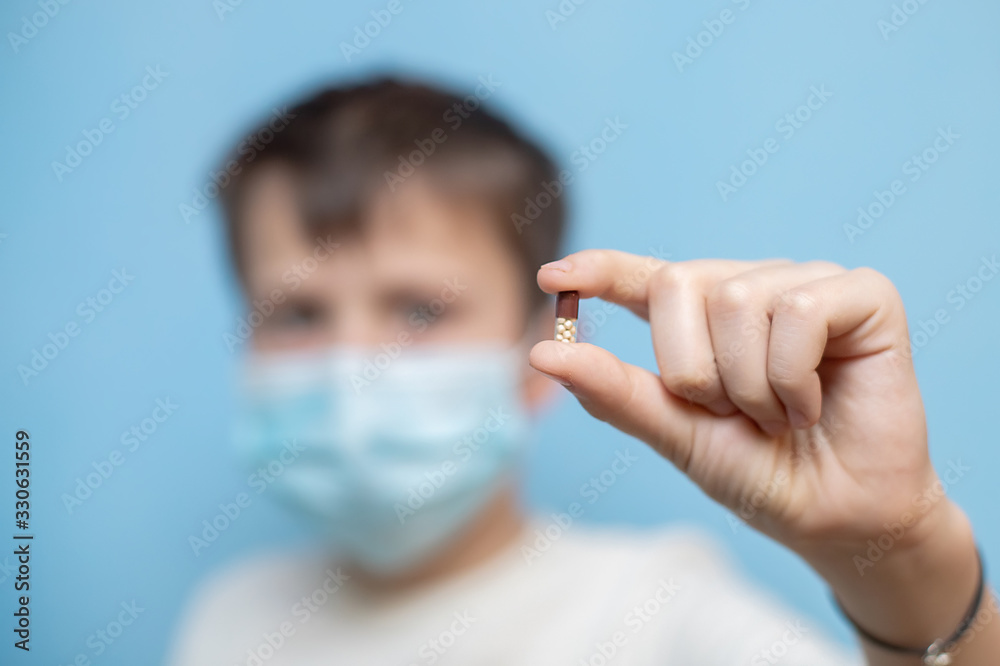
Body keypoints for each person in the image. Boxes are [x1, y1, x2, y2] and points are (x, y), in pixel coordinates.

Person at [168, 78, 998, 665]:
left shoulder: (659, 613)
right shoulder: (230, 618)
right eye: (297, 315)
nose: (357, 364)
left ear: (543, 356)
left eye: (420, 311)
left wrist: (903, 557)